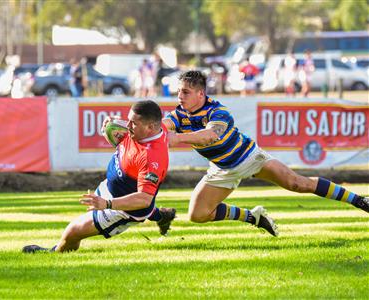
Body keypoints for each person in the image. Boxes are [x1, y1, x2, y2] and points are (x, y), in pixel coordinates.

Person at [163, 70, 368, 237]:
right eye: (179, 92)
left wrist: (177, 138)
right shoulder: (179, 114)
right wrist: (151, 130)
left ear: (201, 94)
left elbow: (209, 136)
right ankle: (254, 217)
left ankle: (359, 200)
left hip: (250, 158)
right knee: (197, 215)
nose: (180, 97)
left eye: (185, 92)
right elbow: (164, 125)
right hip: (222, 168)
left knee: (297, 183)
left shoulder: (218, 111)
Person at [23, 100, 176, 253]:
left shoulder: (152, 158)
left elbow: (144, 199)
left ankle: (53, 253)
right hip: (113, 188)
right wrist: (110, 129)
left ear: (150, 127)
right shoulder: (149, 129)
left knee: (73, 232)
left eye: (133, 123)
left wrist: (107, 204)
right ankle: (163, 216)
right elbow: (126, 149)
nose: (127, 125)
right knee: (80, 226)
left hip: (123, 209)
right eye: (128, 120)